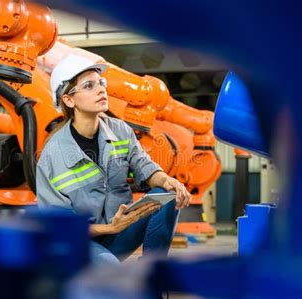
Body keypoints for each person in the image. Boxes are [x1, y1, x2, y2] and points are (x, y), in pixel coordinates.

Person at [37, 54, 191, 265]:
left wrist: (167, 180)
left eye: (101, 83)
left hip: (121, 229)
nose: (101, 89)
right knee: (109, 267)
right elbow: (59, 226)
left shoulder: (120, 130)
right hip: (80, 242)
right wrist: (110, 228)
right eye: (89, 86)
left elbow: (143, 165)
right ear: (68, 100)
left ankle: (153, 273)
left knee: (167, 194)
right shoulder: (52, 156)